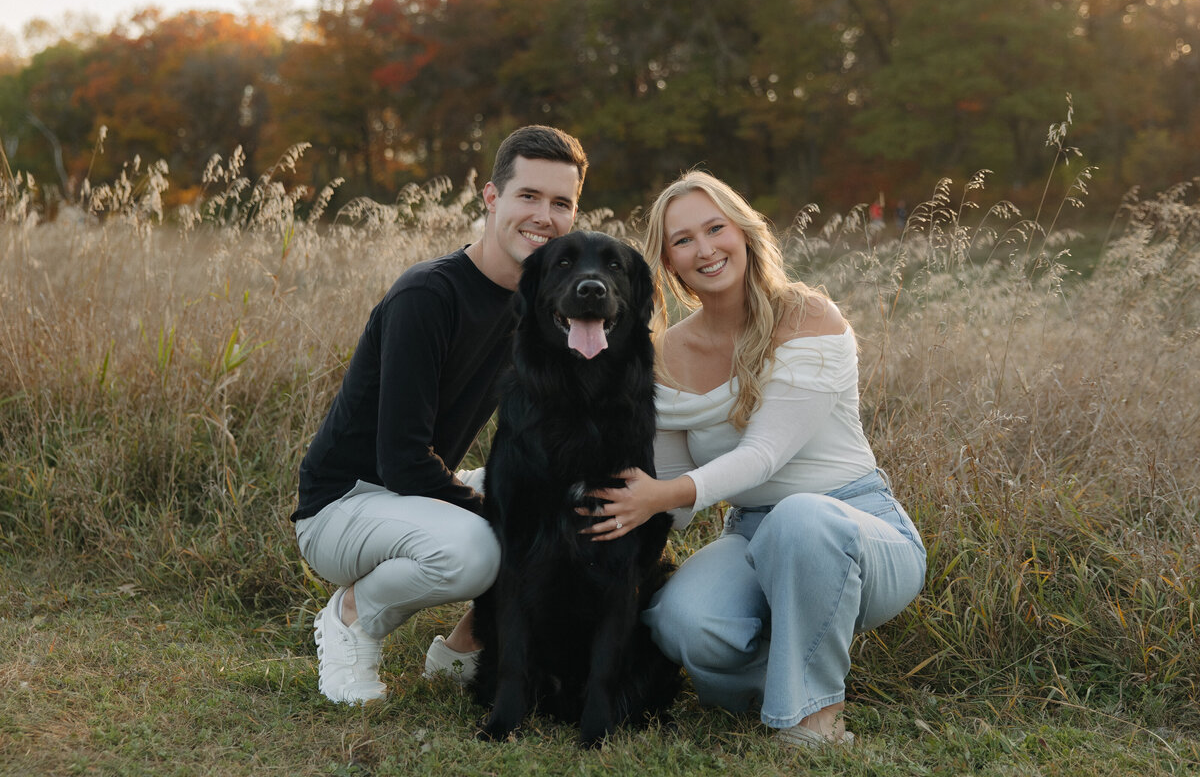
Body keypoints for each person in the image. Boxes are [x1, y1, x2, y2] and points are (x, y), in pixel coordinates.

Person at [580, 172, 926, 747]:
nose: (706, 249)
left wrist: (663, 496)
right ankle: (790, 668)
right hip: (751, 534)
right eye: (683, 240)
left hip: (855, 527)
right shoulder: (662, 356)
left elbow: (762, 457)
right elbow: (666, 488)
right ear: (667, 261)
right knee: (678, 620)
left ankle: (817, 719)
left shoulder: (807, 316)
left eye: (716, 228)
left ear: (744, 233)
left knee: (800, 519)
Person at [292, 125, 589, 704]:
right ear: (491, 197)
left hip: (418, 500)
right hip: (345, 504)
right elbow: (402, 462)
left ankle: (462, 651)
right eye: (528, 196)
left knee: (576, 501)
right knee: (476, 550)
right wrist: (499, 510)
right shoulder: (428, 296)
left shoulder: (539, 311)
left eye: (561, 203)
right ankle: (351, 618)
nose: (543, 217)